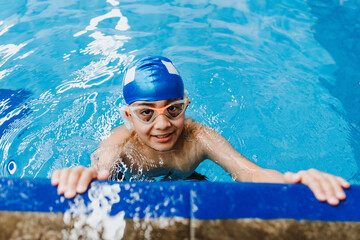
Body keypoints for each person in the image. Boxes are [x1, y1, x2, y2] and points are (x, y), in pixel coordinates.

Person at [51, 55, 350, 206]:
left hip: (188, 181)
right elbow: (100, 169)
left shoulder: (199, 138)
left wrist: (293, 182)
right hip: (132, 184)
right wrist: (85, 177)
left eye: (173, 109)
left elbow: (248, 172)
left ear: (187, 105)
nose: (163, 124)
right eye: (145, 113)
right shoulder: (121, 142)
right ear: (128, 116)